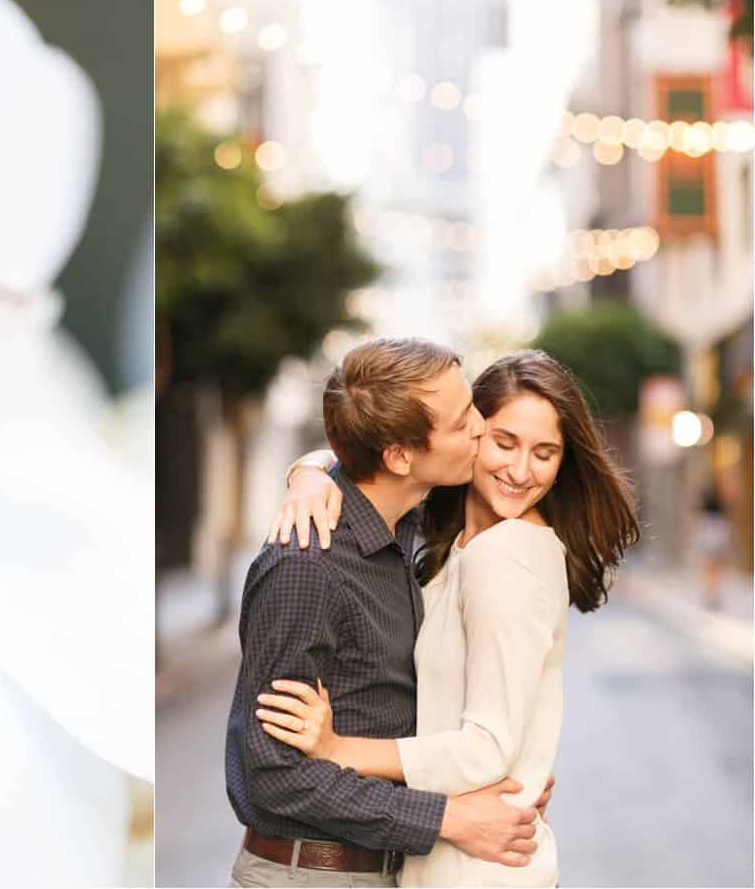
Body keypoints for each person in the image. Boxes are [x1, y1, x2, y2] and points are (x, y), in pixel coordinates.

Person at [253, 345, 639, 886]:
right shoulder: (431, 538)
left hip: (475, 867)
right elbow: (366, 448)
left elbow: (487, 748)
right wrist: (309, 471)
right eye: (501, 440)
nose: (520, 470)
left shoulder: (507, 554)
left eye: (545, 452)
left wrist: (341, 750)